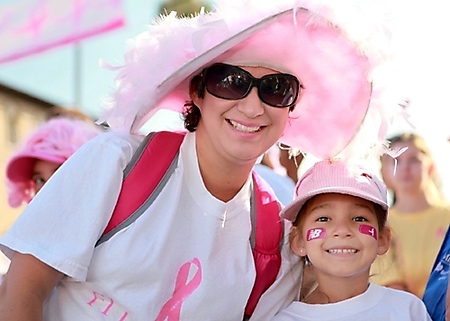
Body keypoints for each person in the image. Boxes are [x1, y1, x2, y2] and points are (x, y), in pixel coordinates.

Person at [0, 1, 403, 320]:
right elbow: (24, 288)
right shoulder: (116, 163)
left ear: (291, 107)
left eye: (276, 89)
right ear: (198, 91)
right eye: (231, 81)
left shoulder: (275, 233)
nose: (252, 106)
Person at [269, 159, 432, 320]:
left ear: (382, 240)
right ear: (299, 241)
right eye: (324, 219)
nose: (342, 230)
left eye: (359, 218)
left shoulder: (408, 309)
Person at [0, 116, 102, 283]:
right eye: (39, 180)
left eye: (58, 174)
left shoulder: (114, 238)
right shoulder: (31, 244)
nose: (47, 189)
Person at [371, 132, 450, 298]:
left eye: (414, 160)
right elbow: (392, 290)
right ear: (384, 172)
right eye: (395, 162)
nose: (405, 168)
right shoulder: (381, 226)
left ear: (430, 167)